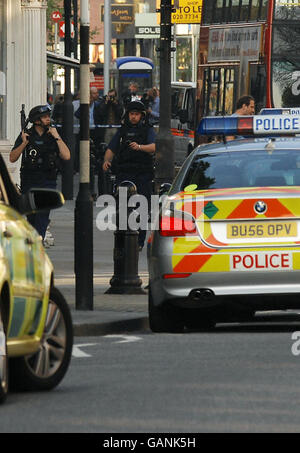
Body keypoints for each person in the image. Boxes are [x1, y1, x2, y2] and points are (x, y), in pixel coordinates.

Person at [9, 104, 70, 242]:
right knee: (31, 216)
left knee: (43, 214)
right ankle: (33, 241)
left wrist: (56, 137)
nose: (48, 119)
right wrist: (24, 143)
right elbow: (12, 158)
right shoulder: (27, 134)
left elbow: (66, 156)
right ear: (37, 120)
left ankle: (39, 240)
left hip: (48, 180)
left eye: (49, 116)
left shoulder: (53, 135)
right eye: (45, 117)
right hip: (29, 179)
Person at [102, 100, 156, 250]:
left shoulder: (147, 130)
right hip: (125, 173)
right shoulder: (123, 131)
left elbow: (154, 147)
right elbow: (111, 148)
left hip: (142, 174)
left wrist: (139, 147)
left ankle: (139, 240)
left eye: (136, 114)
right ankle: (123, 238)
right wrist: (106, 161)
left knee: (142, 207)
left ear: (142, 116)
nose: (133, 117)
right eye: (131, 114)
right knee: (123, 207)